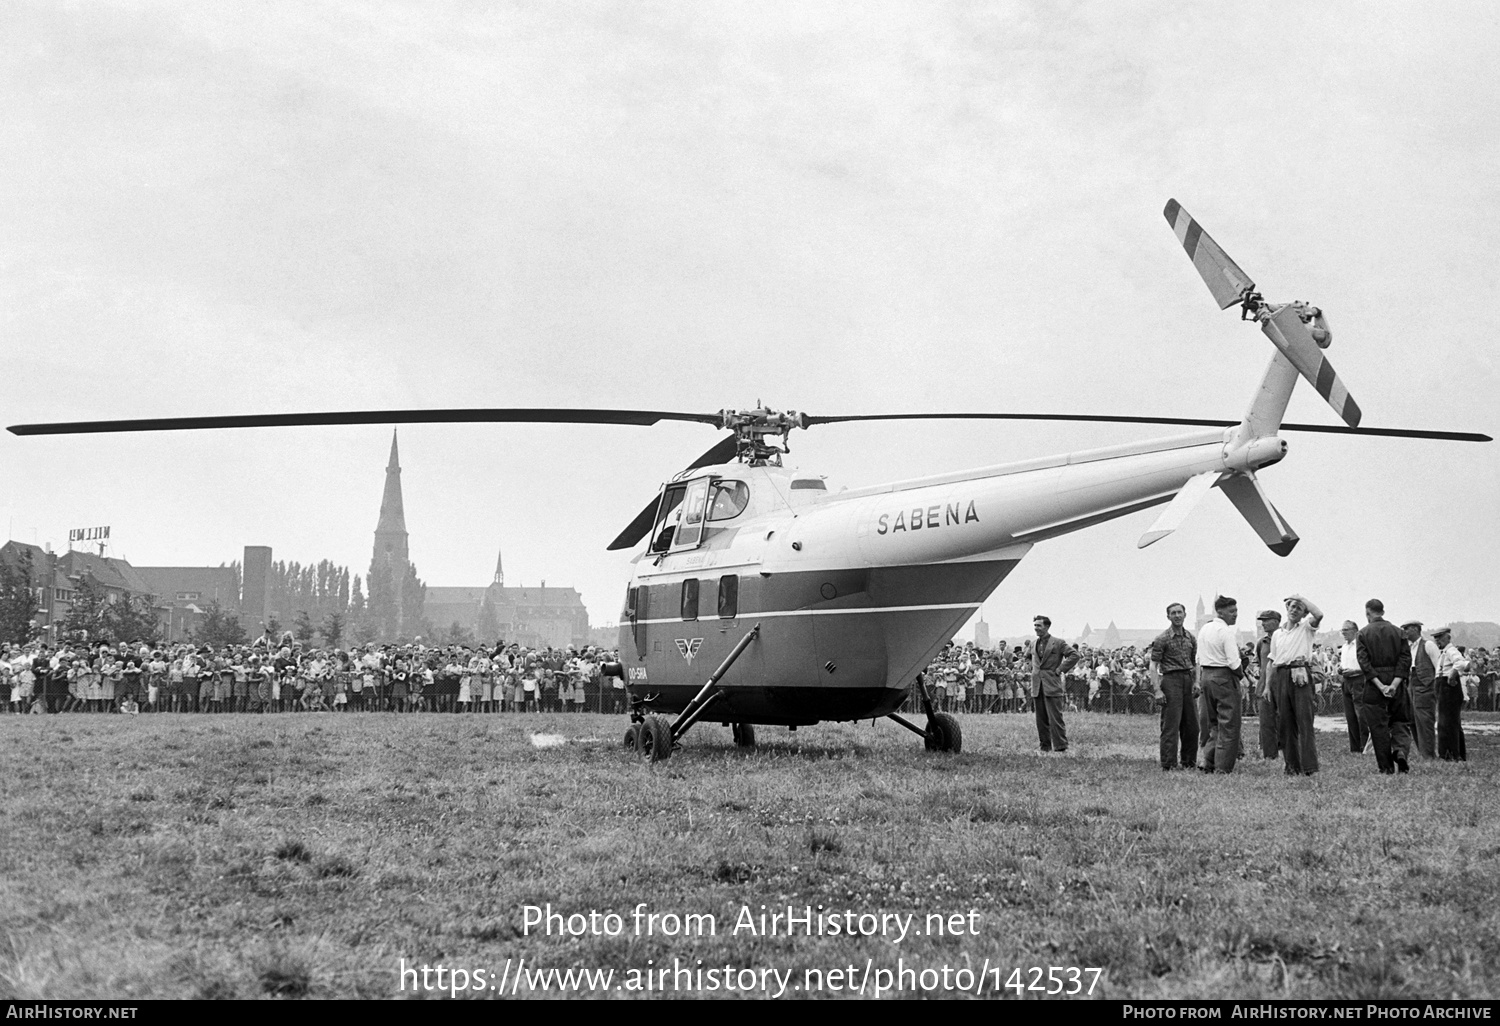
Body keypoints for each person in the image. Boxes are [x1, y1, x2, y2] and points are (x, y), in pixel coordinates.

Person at [1268, 593, 1324, 776]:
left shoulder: (1306, 628)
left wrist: (1302, 599)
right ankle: (1291, 766)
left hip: (1300, 673)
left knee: (1304, 721)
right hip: (1281, 675)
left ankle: (1309, 767)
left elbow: (1319, 615)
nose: (1294, 611)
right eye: (1291, 607)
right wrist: (1269, 687)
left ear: (1303, 614)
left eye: (1299, 609)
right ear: (1286, 609)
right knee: (1285, 723)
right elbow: (1272, 662)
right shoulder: (1277, 634)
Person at [1356, 598, 1413, 775]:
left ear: (1368, 613)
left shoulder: (1363, 634)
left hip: (1374, 683)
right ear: (1383, 611)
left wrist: (1381, 686)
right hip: (1397, 681)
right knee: (1401, 720)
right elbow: (1405, 659)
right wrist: (1395, 683)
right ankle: (1400, 750)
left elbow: (1364, 663)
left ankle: (1386, 767)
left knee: (1378, 726)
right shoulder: (1399, 632)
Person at [1196, 595, 1244, 774]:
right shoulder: (1225, 632)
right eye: (1232, 611)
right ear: (1220, 612)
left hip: (1206, 676)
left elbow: (1198, 658)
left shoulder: (1204, 629)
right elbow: (1234, 662)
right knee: (1229, 724)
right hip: (1223, 676)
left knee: (1213, 723)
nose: (1235, 615)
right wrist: (1240, 674)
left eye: (1236, 611)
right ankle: (1223, 767)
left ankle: (1207, 761)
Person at [1149, 602, 1198, 771]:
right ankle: (1169, 764)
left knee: (1192, 726)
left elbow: (1195, 663)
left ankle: (1189, 762)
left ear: (1185, 614)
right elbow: (1153, 666)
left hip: (1188, 680)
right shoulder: (1162, 639)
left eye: (1180, 612)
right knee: (1171, 725)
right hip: (1170, 681)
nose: (1177, 615)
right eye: (1173, 613)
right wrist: (1157, 690)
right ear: (1168, 616)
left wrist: (1197, 682)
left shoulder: (1191, 638)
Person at [1028, 616, 1079, 753]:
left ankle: (1061, 747)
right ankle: (1044, 747)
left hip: (1052, 684)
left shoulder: (1058, 643)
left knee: (1055, 718)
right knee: (1041, 719)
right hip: (1037, 686)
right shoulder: (1033, 644)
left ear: (1047, 627)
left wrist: (1060, 669)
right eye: (1035, 626)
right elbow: (1029, 657)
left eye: (1039, 625)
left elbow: (1075, 655)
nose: (1036, 628)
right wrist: (1033, 671)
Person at [1401, 620, 1441, 760]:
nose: (1405, 631)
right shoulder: (1408, 647)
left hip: (1425, 687)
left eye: (1407, 628)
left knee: (1425, 721)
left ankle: (1429, 754)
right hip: (1411, 685)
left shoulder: (1428, 645)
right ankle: (1423, 752)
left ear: (1416, 629)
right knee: (1412, 720)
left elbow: (1438, 668)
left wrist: (1435, 689)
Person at [1432, 627, 1469, 761]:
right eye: (1435, 638)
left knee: (1446, 722)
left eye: (1440, 637)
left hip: (1448, 687)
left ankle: (1449, 754)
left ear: (1448, 638)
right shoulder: (1443, 653)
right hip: (1442, 686)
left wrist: (1452, 675)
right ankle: (1456, 753)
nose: (1437, 641)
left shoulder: (1451, 651)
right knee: (1451, 721)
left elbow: (1461, 663)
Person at [1336, 620, 1370, 754]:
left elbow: (1367, 666)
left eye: (1346, 630)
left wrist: (1355, 672)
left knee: (1361, 715)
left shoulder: (1361, 645)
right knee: (1350, 716)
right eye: (1342, 631)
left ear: (1355, 630)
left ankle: (1365, 746)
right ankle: (1355, 748)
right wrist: (1341, 668)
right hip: (1346, 681)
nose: (1343, 633)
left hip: (1359, 680)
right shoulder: (1344, 647)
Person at [1253, 610, 1282, 759]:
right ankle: (1269, 755)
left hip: (1282, 685)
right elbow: (1258, 661)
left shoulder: (1284, 638)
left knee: (1284, 719)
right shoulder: (1261, 643)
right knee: (1266, 721)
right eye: (1261, 620)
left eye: (1266, 620)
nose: (1263, 624)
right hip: (1264, 686)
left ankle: (1286, 749)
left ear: (1276, 621)